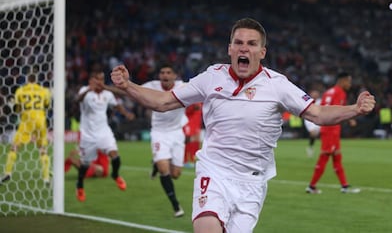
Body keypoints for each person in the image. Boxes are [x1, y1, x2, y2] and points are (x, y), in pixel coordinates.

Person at [110, 18, 376, 233]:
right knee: (206, 228)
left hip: (252, 183)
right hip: (214, 171)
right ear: (229, 49)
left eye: (251, 44)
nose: (244, 48)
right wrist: (128, 86)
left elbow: (317, 114)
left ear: (262, 52)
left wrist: (354, 108)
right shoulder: (211, 76)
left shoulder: (278, 85)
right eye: (238, 43)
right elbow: (164, 101)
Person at [75, 70, 135, 202]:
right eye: (97, 79)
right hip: (88, 135)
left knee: (115, 156)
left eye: (102, 79)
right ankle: (79, 186)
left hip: (104, 132)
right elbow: (77, 100)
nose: (99, 82)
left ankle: (115, 175)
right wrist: (88, 90)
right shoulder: (85, 91)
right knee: (85, 165)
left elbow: (118, 104)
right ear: (91, 80)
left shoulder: (107, 93)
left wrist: (126, 113)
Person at [143, 63, 186, 218]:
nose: (165, 75)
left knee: (175, 174)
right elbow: (130, 90)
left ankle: (156, 162)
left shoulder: (183, 87)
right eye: (162, 72)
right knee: (164, 170)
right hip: (159, 133)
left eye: (168, 72)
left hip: (176, 133)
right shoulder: (151, 86)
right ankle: (176, 206)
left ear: (175, 75)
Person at [306, 72, 360, 194]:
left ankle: (345, 186)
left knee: (336, 156)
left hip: (331, 128)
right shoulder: (339, 92)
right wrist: (350, 118)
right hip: (331, 129)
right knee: (325, 156)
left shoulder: (329, 92)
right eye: (348, 81)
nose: (349, 84)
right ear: (342, 80)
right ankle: (311, 186)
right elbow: (335, 110)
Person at [1, 73, 51, 185]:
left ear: (27, 80)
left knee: (14, 147)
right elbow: (47, 106)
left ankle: (8, 173)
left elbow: (16, 109)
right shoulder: (44, 91)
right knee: (42, 149)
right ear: (37, 80)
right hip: (40, 121)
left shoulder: (21, 90)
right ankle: (46, 177)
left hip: (26, 121)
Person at [183, 102, 203, 168]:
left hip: (197, 119)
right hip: (189, 120)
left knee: (196, 140)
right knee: (187, 139)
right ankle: (185, 160)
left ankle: (193, 159)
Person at [303, 89, 321, 157]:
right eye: (314, 94)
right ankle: (310, 148)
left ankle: (327, 148)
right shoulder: (307, 100)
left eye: (316, 94)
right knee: (313, 133)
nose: (315, 95)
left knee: (319, 134)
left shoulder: (320, 101)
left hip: (319, 118)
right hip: (309, 119)